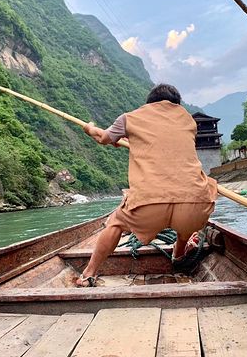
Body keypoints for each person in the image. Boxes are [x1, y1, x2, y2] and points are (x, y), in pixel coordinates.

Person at [76, 84, 218, 287]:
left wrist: (89, 128)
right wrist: (127, 137)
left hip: (148, 208)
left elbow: (103, 137)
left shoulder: (129, 118)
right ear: (176, 104)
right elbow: (164, 144)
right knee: (191, 204)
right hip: (194, 208)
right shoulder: (189, 121)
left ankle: (88, 274)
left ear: (150, 103)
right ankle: (179, 253)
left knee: (115, 223)